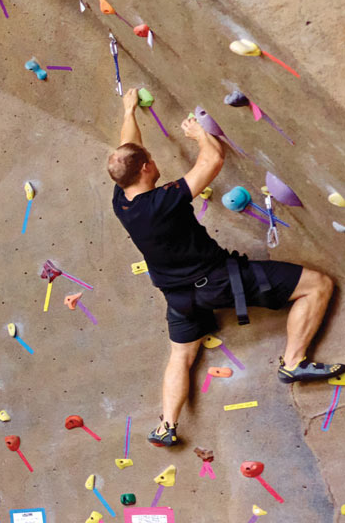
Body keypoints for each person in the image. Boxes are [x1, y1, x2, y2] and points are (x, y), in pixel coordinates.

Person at [108, 88, 342, 448]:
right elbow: (212, 162)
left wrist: (129, 113)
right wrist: (199, 133)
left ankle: (167, 426)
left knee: (181, 356)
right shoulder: (164, 200)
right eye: (150, 160)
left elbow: (127, 151)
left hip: (180, 298)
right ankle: (294, 362)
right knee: (318, 285)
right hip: (217, 281)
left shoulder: (122, 200)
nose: (154, 161)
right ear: (146, 169)